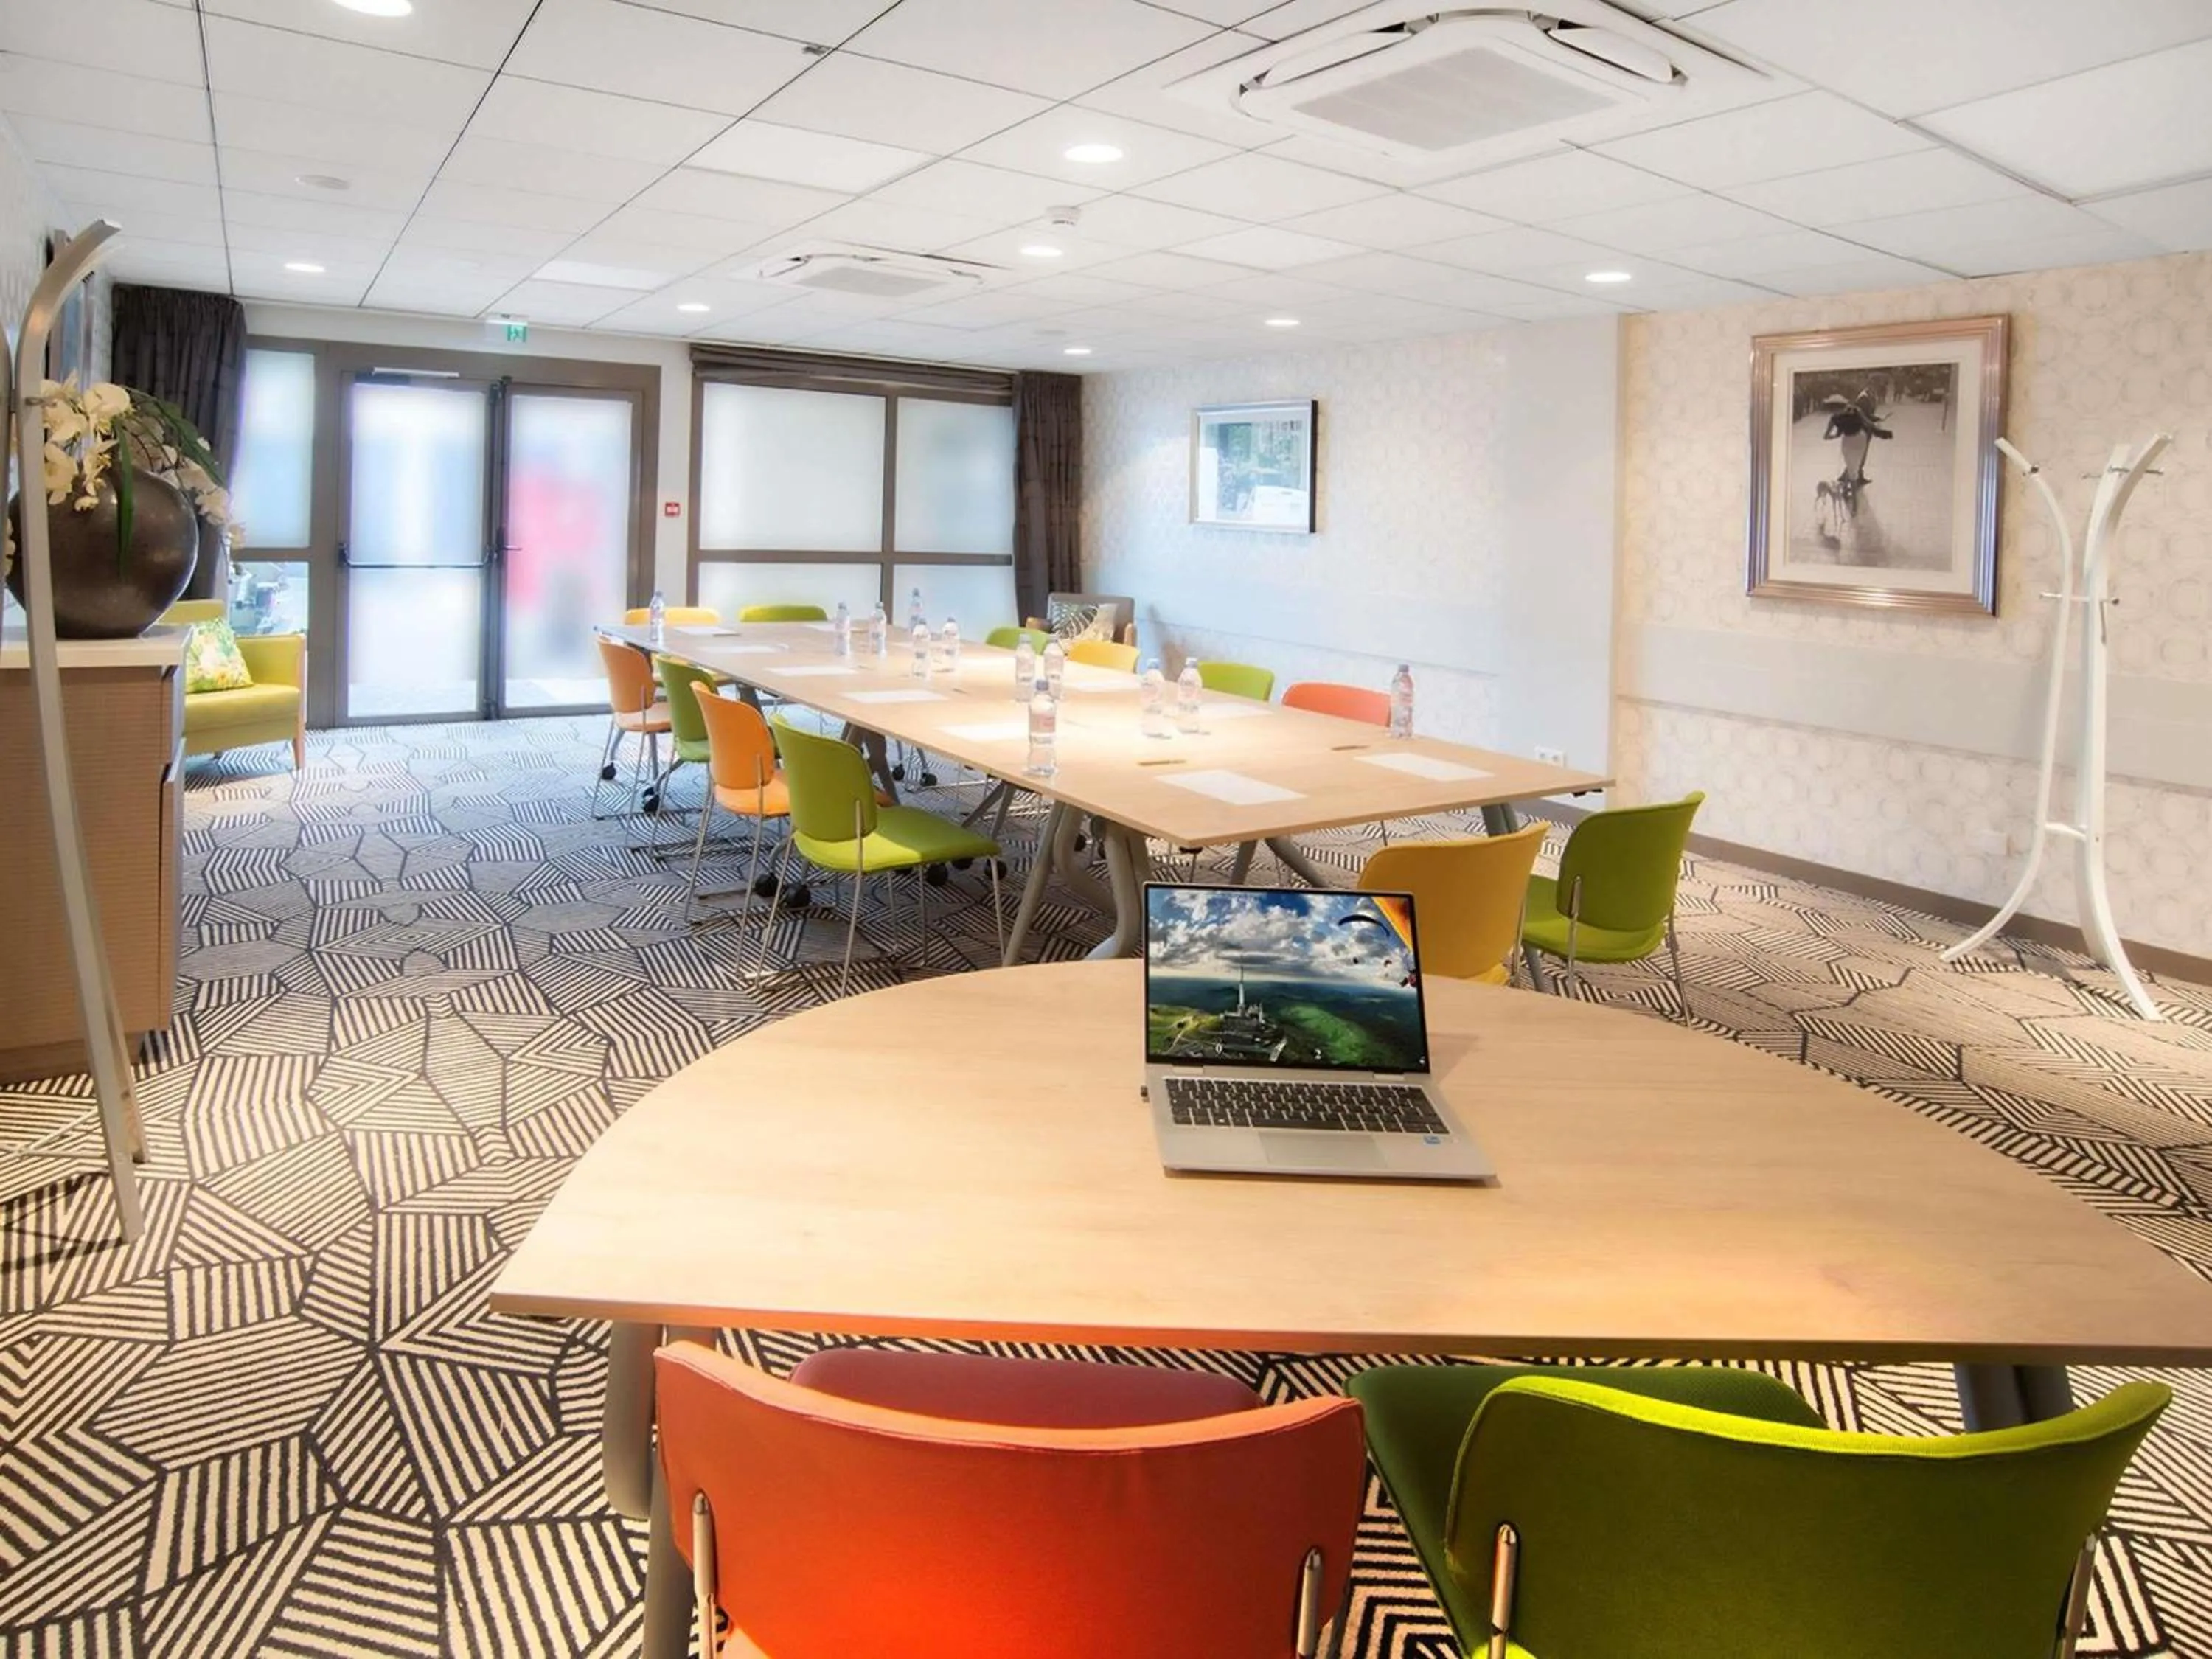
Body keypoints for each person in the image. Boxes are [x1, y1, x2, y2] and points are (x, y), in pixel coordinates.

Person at [1821, 391, 1893, 488]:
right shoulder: (1853, 411)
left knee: (1854, 462)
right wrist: (1879, 428)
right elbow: (1867, 422)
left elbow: (1827, 436)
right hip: (1856, 439)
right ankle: (1850, 480)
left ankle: (1850, 480)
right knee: (1855, 462)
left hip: (1854, 440)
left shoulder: (1839, 416)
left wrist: (1833, 436)